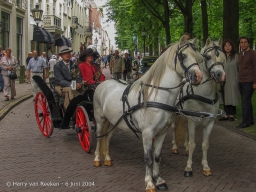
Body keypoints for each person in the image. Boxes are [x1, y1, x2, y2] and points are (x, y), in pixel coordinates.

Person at [236, 36, 256, 128]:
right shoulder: (240, 55)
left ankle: (245, 122)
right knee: (247, 101)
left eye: (245, 42)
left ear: (248, 43)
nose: (243, 44)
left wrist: (255, 82)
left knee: (244, 101)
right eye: (241, 42)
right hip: (241, 81)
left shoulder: (252, 53)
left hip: (249, 80)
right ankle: (251, 120)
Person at [219, 40, 239, 122]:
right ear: (223, 47)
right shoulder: (221, 57)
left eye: (229, 45)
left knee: (232, 97)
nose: (227, 47)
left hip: (233, 79)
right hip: (224, 80)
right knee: (225, 97)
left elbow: (239, 68)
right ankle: (226, 115)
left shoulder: (236, 56)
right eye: (225, 46)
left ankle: (231, 115)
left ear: (232, 46)